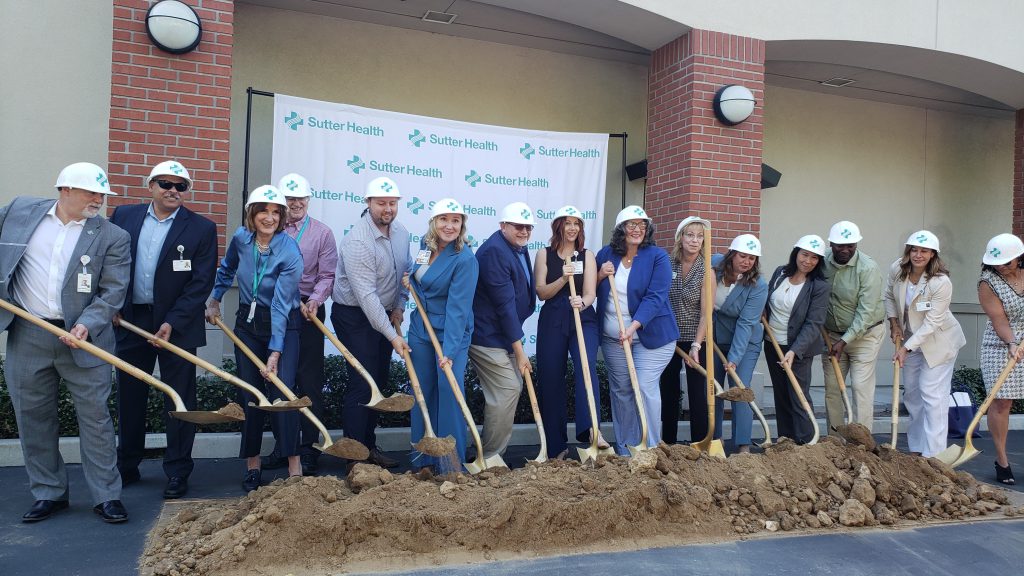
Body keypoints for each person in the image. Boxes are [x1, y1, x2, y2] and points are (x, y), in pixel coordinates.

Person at [0, 162, 130, 523]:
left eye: (102, 194)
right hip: (28, 332)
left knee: (96, 420)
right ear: (65, 190)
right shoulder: (18, 211)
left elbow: (113, 291)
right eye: (92, 192)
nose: (99, 200)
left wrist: (88, 324)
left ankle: (106, 496)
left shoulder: (112, 236)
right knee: (33, 417)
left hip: (85, 339)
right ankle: (48, 492)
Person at [111, 160, 217, 499]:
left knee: (180, 399)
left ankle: (177, 470)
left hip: (178, 325)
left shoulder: (201, 228)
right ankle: (127, 465)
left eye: (180, 186)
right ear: (150, 186)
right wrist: (111, 304)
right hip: (131, 320)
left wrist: (172, 321)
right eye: (165, 184)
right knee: (130, 395)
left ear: (187, 192)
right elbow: (109, 264)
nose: (172, 191)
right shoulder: (123, 216)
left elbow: (201, 283)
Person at [206, 185, 303, 492]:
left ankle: (294, 466)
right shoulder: (240, 238)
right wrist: (215, 299)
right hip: (247, 324)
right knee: (251, 395)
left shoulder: (290, 251)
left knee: (282, 395)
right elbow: (227, 268)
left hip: (283, 326)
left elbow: (280, 305)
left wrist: (274, 352)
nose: (270, 217)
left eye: (276, 212)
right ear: (252, 213)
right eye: (264, 210)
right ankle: (252, 463)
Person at [332, 176, 410, 470]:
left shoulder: (401, 232)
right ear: (368, 204)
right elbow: (366, 297)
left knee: (378, 380)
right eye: (381, 203)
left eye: (392, 203)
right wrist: (393, 336)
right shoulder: (357, 242)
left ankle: (368, 447)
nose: (387, 209)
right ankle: (355, 458)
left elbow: (405, 273)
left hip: (385, 313)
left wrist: (400, 307)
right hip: (354, 316)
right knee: (362, 382)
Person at [261, 173, 337, 476]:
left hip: (308, 311)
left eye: (300, 199)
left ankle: (309, 448)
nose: (296, 204)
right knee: (279, 380)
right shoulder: (268, 230)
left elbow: (327, 274)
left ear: (308, 200)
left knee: (308, 381)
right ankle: (284, 447)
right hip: (275, 309)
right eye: (290, 199)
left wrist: (316, 300)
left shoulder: (322, 233)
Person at [597, 206, 678, 455]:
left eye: (642, 225)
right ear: (620, 229)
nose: (637, 230)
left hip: (652, 337)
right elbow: (587, 287)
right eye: (631, 225)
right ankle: (626, 449)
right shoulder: (605, 255)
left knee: (643, 385)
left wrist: (633, 326)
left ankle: (650, 447)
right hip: (614, 338)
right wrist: (600, 274)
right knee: (621, 390)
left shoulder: (657, 257)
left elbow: (655, 297)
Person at [406, 199, 478, 471]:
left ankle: (450, 465)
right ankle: (422, 461)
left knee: (449, 392)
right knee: (421, 393)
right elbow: (421, 279)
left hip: (451, 335)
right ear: (433, 223)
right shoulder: (427, 246)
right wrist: (408, 280)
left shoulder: (465, 259)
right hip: (420, 330)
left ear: (462, 225)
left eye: (455, 220)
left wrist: (448, 352)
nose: (449, 226)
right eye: (443, 219)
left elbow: (458, 310)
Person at [534, 205, 607, 459]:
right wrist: (564, 279)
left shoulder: (587, 255)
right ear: (559, 226)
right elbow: (541, 292)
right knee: (551, 378)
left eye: (577, 223)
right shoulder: (544, 254)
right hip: (553, 316)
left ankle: (591, 432)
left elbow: (590, 292)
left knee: (586, 368)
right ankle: (556, 446)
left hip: (582, 317)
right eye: (568, 223)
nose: (573, 227)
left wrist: (583, 302)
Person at [884, 230, 965, 458]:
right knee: (912, 394)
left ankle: (935, 455)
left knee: (932, 394)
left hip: (939, 342)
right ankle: (917, 450)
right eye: (914, 250)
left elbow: (932, 324)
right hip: (909, 337)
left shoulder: (941, 282)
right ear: (908, 251)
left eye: (924, 251)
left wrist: (906, 348)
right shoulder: (897, 269)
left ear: (933, 255)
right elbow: (889, 296)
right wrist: (894, 324)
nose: (918, 255)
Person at [470, 202, 537, 461]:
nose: (524, 231)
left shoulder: (517, 246)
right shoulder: (494, 252)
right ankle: (489, 457)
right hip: (487, 337)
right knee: (508, 388)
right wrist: (520, 352)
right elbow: (504, 306)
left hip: (504, 335)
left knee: (510, 388)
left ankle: (488, 451)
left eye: (528, 227)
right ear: (503, 226)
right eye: (518, 226)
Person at [763, 235, 831, 445]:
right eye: (804, 254)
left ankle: (805, 441)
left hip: (799, 348)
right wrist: (762, 311)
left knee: (798, 395)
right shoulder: (780, 272)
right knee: (781, 395)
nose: (808, 261)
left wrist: (794, 350)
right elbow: (768, 299)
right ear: (796, 253)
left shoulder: (819, 286)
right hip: (773, 342)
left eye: (814, 257)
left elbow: (814, 322)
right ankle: (785, 441)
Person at [822, 220, 885, 432]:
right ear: (831, 244)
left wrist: (844, 340)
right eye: (840, 245)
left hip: (865, 336)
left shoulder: (868, 268)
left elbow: (865, 312)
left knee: (860, 387)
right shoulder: (822, 263)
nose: (846, 250)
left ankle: (862, 439)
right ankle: (835, 440)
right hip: (831, 335)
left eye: (851, 245)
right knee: (832, 388)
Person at [710, 234, 768, 453]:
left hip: (744, 342)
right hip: (715, 339)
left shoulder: (758, 285)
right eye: (743, 256)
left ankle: (743, 444)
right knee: (713, 387)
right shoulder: (715, 265)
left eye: (752, 258)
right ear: (732, 254)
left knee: (739, 388)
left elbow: (746, 324)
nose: (747, 261)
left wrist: (734, 359)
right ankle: (716, 440)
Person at [659, 216, 713, 444]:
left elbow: (705, 314)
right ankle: (668, 443)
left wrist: (696, 345)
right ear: (680, 238)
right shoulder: (667, 264)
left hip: (696, 339)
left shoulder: (706, 271)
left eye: (700, 236)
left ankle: (699, 443)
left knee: (697, 392)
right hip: (668, 337)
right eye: (690, 235)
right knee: (668, 390)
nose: (694, 240)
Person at [977, 233, 1024, 484]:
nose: (1001, 267)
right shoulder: (988, 282)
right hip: (1001, 342)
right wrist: (1012, 342)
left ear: (1019, 258)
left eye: (1006, 262)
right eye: (997, 263)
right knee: (1002, 402)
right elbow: (999, 320)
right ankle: (1002, 460)